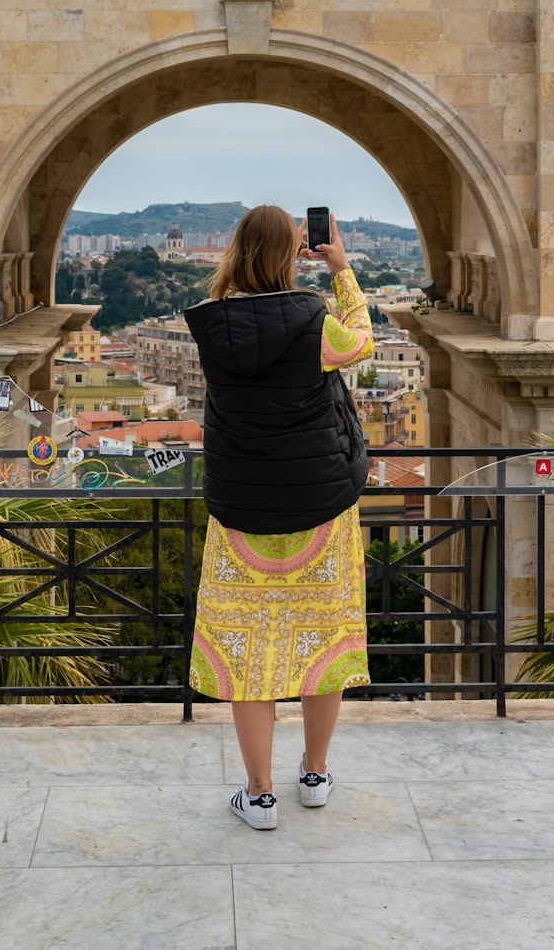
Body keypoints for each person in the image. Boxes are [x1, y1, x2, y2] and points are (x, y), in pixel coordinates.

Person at [184, 205, 374, 831]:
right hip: (319, 508)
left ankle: (259, 794)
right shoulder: (312, 321)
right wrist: (341, 269)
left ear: (236, 252)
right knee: (321, 640)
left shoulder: (211, 326)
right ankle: (314, 775)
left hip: (241, 512)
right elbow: (363, 340)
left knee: (247, 655)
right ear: (292, 254)